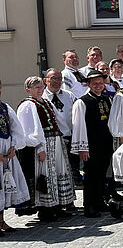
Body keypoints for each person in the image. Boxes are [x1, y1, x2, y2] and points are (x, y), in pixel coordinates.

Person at [17, 77, 76, 221]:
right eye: (36, 87)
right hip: (43, 144)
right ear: (28, 89)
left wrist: (65, 136)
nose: (40, 90)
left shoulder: (46, 102)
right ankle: (45, 209)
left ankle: (58, 205)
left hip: (55, 140)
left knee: (58, 172)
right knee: (45, 174)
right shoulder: (28, 105)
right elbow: (29, 130)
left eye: (41, 87)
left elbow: (59, 121)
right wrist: (39, 147)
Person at [70, 69, 114, 218]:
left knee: (101, 174)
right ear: (88, 84)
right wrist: (82, 148)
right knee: (90, 176)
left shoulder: (106, 99)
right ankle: (89, 206)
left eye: (100, 83)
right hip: (91, 145)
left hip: (105, 143)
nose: (98, 86)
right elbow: (78, 126)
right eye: (94, 83)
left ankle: (99, 201)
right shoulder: (82, 102)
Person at [0, 78, 29, 233]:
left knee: (4, 187)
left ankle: (2, 221)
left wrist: (13, 146)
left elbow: (17, 129)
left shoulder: (4, 107)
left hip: (6, 153)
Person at [42, 69, 80, 186]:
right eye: (53, 78)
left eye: (59, 78)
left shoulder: (69, 96)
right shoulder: (41, 97)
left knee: (72, 167)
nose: (57, 81)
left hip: (69, 138)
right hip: (50, 140)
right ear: (45, 80)